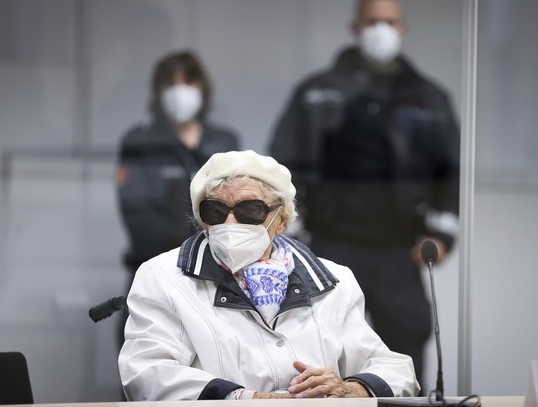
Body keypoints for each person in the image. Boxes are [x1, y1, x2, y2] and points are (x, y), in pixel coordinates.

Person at [268, 0, 460, 388]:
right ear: (355, 27)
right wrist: (290, 233)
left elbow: (449, 173)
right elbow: (282, 165)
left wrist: (441, 235)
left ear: (402, 27)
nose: (380, 30)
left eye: (388, 21)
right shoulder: (317, 92)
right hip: (330, 245)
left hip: (398, 248)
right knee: (319, 347)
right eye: (372, 21)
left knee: (405, 345)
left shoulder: (428, 98)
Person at [118, 150, 420, 400]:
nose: (231, 221)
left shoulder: (334, 280)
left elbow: (396, 370)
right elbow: (145, 374)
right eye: (215, 211)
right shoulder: (163, 277)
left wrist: (350, 389)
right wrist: (244, 400)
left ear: (281, 220)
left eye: (250, 209)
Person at [116, 50, 240, 347]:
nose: (179, 91)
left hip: (217, 273)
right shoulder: (139, 141)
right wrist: (183, 256)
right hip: (153, 267)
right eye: (170, 84)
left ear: (202, 89)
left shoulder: (224, 142)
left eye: (188, 82)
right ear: (158, 91)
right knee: (144, 356)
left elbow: (235, 207)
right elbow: (135, 210)